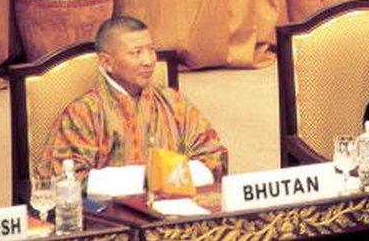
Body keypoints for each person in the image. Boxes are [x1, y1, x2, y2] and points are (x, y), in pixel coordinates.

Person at [38, 16, 228, 181]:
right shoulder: (83, 112)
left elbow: (214, 157)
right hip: (110, 219)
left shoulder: (173, 102)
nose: (148, 61)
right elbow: (67, 179)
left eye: (151, 50)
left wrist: (168, 180)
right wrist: (146, 179)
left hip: (175, 209)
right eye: (136, 53)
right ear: (107, 62)